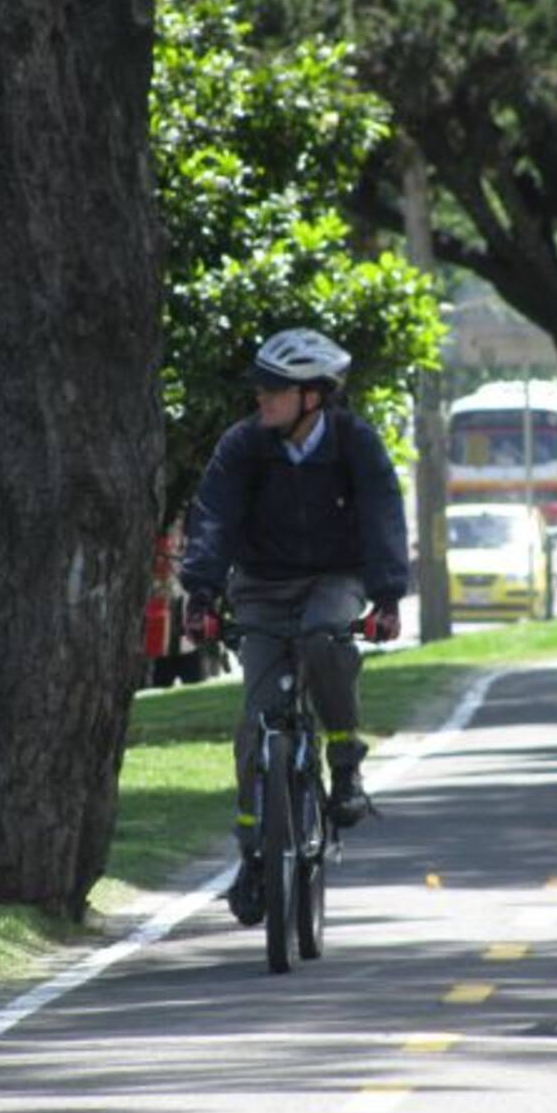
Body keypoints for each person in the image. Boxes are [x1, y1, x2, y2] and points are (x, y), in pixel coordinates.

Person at [180, 328, 408, 924]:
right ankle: (254, 856)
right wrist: (200, 593)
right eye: (261, 388)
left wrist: (386, 598)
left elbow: (384, 513)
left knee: (322, 637)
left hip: (335, 578)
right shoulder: (243, 446)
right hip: (259, 585)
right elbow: (211, 518)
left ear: (313, 396)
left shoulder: (355, 443)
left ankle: (346, 762)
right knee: (255, 724)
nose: (262, 398)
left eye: (275, 390)